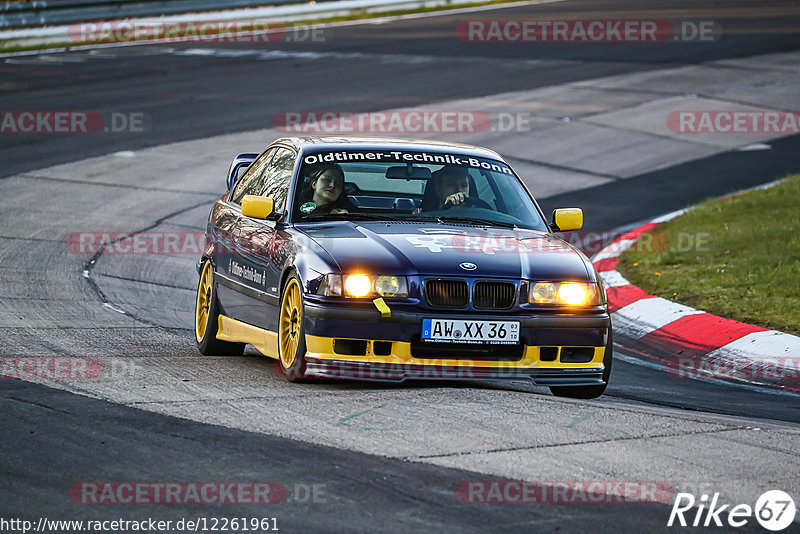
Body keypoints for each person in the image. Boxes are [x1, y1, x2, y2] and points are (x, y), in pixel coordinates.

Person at [420, 164, 490, 211]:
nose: (458, 190)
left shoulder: (481, 215)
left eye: (464, 185)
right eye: (451, 184)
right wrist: (445, 210)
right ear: (438, 188)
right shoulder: (424, 220)